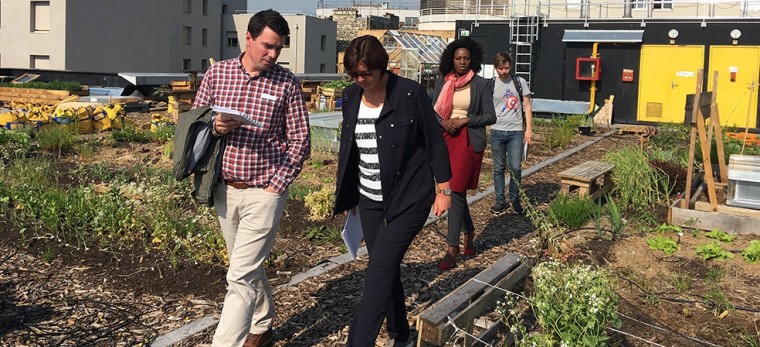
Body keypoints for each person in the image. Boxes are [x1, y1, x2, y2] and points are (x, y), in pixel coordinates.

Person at [191, 9, 311, 347]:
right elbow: (194, 122)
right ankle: (262, 323)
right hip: (225, 190)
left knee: (239, 276)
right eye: (267, 46)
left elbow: (301, 140)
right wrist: (214, 126)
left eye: (279, 49)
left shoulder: (286, 83)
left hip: (264, 191)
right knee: (246, 267)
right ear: (248, 39)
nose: (273, 55)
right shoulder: (218, 75)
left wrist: (277, 186)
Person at [334, 35, 452, 346]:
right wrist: (349, 197)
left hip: (409, 197)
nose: (361, 80)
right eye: (354, 75)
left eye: (366, 74)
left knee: (377, 274)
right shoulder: (350, 97)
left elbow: (434, 142)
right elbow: (351, 150)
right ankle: (401, 336)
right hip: (369, 198)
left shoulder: (409, 94)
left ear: (381, 67)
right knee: (385, 270)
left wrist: (444, 189)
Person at [432, 37, 496, 270]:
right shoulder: (443, 81)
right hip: (445, 138)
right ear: (452, 59)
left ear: (473, 60)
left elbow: (491, 116)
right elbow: (434, 111)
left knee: (454, 190)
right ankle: (469, 232)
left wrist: (468, 119)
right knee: (456, 192)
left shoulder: (482, 84)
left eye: (466, 58)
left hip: (467, 140)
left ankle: (452, 248)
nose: (462, 62)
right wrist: (443, 122)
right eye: (458, 58)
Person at [489, 52, 533, 216]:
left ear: (511, 66)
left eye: (506, 68)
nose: (504, 71)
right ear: (496, 68)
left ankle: (515, 199)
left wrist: (528, 129)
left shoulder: (519, 82)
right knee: (498, 168)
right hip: (497, 130)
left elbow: (527, 106)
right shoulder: (491, 84)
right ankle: (500, 201)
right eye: (500, 69)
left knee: (515, 167)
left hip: (515, 131)